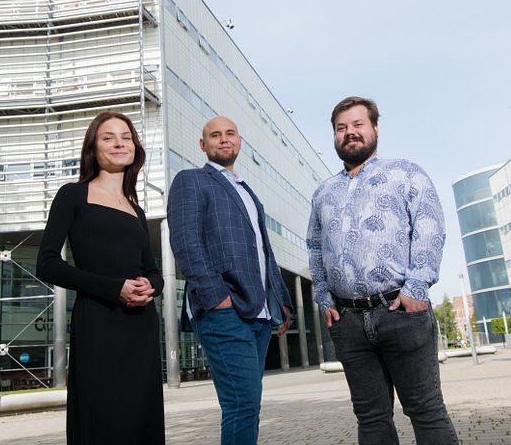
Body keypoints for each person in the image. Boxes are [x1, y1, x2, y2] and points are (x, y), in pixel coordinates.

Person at [306, 96, 459, 445]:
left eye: (359, 125)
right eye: (341, 128)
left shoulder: (406, 173)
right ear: (334, 136)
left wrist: (417, 286)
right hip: (348, 321)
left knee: (426, 411)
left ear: (375, 128)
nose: (350, 133)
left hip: (400, 312)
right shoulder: (323, 192)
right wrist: (322, 297)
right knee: (371, 418)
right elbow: (314, 246)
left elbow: (429, 226)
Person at [36, 111, 165, 445]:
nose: (120, 143)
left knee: (142, 422)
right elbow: (47, 263)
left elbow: (151, 269)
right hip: (98, 324)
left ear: (135, 147)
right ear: (93, 148)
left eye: (126, 136)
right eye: (108, 137)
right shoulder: (72, 195)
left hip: (141, 326)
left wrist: (152, 286)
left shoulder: (137, 210)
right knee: (104, 420)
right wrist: (114, 288)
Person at [167, 115, 293, 445]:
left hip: (259, 314)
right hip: (225, 310)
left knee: (248, 405)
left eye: (230, 134)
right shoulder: (191, 180)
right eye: (215, 135)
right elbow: (185, 241)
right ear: (202, 144)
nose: (224, 139)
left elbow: (264, 252)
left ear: (239, 141)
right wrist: (217, 297)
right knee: (242, 405)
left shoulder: (248, 192)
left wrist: (279, 300)